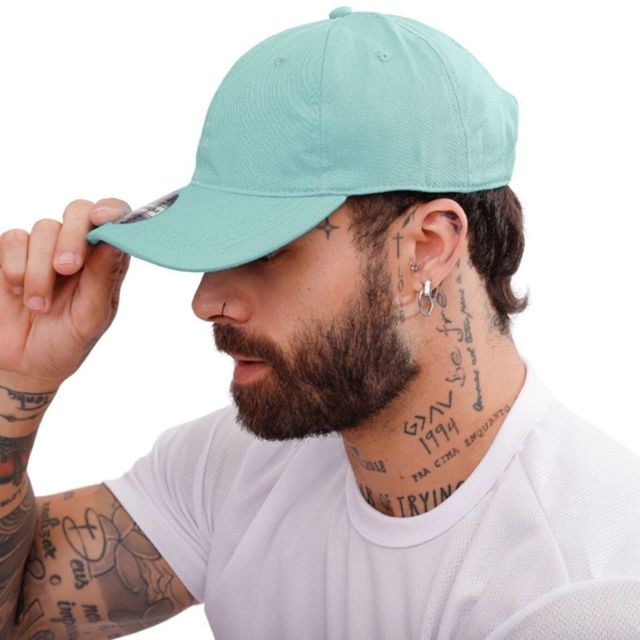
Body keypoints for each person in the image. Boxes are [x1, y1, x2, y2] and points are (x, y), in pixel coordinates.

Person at [1, 6, 639, 639]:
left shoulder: (581, 588)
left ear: (428, 248)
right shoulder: (236, 465)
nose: (206, 300)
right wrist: (17, 379)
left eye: (266, 250)